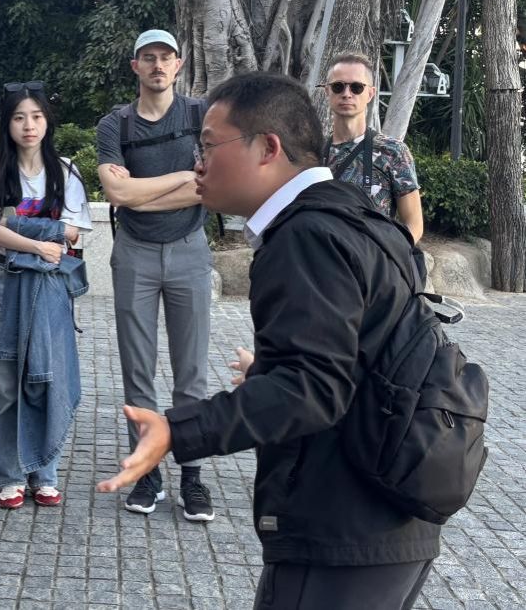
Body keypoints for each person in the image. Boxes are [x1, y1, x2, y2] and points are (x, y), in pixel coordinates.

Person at [98, 72, 440, 610]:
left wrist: (176, 431)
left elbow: (314, 390)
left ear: (268, 148)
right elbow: (356, 357)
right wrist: (273, 371)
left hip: (344, 528)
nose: (197, 163)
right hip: (385, 517)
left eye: (209, 145)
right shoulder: (349, 212)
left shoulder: (305, 235)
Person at [94, 29, 215, 520]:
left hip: (190, 251)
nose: (158, 65)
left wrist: (142, 192)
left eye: (166, 57)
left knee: (192, 373)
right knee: (137, 371)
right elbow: (117, 195)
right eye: (149, 58)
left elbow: (210, 186)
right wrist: (184, 176)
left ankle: (192, 476)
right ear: (135, 66)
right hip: (134, 255)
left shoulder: (200, 116)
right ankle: (147, 474)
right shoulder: (115, 124)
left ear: (179, 64)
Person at [0, 82, 91, 509]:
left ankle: (45, 473)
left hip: (49, 287)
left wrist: (16, 228)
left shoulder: (65, 171)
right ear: (8, 123)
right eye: (19, 117)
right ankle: (9, 475)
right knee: (7, 385)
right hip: (3, 284)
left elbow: (74, 232)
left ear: (47, 121)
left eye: (36, 117)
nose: (28, 125)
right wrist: (40, 243)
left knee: (46, 376)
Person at [322, 53, 424, 242]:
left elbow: (414, 225)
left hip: (371, 257)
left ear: (370, 93)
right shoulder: (312, 153)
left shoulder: (393, 152)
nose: (347, 94)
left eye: (357, 87)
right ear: (327, 92)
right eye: (338, 86)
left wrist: (386, 255)